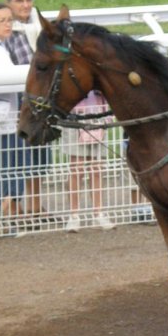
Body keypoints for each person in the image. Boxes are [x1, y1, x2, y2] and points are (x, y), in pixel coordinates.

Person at [3, 0, 52, 226]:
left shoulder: (38, 28)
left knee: (40, 155)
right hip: (18, 105)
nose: (25, 5)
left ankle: (35, 205)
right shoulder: (5, 32)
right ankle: (12, 206)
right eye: (19, 1)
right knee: (15, 157)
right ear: (8, 3)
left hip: (40, 104)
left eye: (28, 0)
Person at [0, 3, 25, 236]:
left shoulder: (0, 47)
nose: (8, 24)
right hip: (0, 122)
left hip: (4, 119)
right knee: (1, 171)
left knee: (1, 171)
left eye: (10, 20)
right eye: (2, 21)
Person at [60, 90, 115, 233]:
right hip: (75, 117)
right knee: (76, 169)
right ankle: (74, 215)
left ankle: (98, 213)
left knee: (97, 168)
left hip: (98, 116)